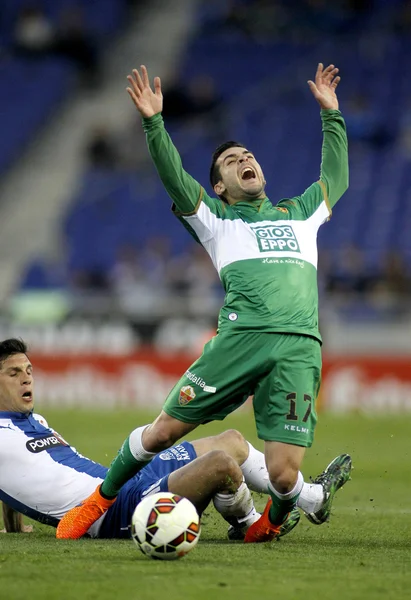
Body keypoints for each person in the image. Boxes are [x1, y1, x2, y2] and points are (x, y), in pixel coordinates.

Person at [57, 62, 349, 542]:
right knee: (162, 432)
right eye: (231, 161)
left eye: (247, 154)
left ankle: (266, 528)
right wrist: (154, 123)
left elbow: (335, 176)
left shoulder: (301, 213)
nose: (243, 159)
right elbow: (173, 175)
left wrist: (331, 116)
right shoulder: (216, 220)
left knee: (282, 477)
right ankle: (97, 503)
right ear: (218, 187)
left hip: (300, 347)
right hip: (240, 342)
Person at [0, 338, 351, 540]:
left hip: (120, 484)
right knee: (220, 466)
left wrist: (15, 527)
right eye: (14, 373)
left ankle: (312, 498)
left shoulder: (34, 420)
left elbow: (19, 475)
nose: (26, 379)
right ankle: (250, 525)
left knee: (230, 441)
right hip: (112, 514)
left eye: (29, 371)